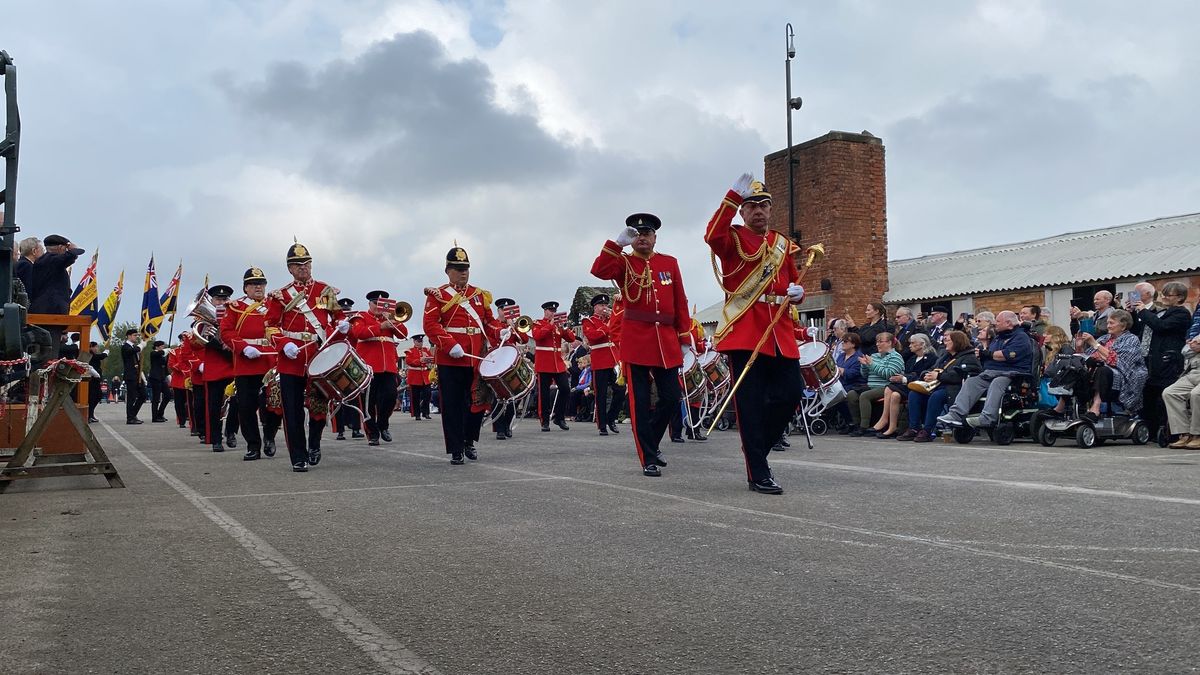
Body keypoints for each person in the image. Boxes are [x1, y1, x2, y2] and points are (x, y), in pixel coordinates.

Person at [702, 174, 804, 494]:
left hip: (779, 330)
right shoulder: (732, 239)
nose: (758, 211)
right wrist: (732, 196)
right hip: (746, 330)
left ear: (771, 209)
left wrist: (799, 293)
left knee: (791, 393)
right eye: (751, 206)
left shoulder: (782, 244)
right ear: (743, 212)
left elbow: (793, 280)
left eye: (763, 205)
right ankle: (757, 470)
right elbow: (711, 235)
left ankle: (757, 448)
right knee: (749, 405)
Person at [592, 212, 691, 479]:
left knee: (671, 398)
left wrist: (684, 337)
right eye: (637, 234)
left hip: (666, 340)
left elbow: (680, 301)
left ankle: (653, 442)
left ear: (655, 237)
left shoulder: (669, 263)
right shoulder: (624, 263)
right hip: (637, 340)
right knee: (639, 403)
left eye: (647, 233)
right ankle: (647, 457)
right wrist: (616, 245)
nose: (642, 238)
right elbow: (599, 270)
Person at [266, 242, 346, 472]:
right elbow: (270, 326)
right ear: (289, 269)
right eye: (297, 265)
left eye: (307, 264)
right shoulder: (280, 296)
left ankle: (315, 443)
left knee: (319, 406)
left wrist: (343, 325)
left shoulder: (323, 291)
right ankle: (298, 457)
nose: (303, 268)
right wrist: (283, 344)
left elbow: (336, 315)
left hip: (318, 354)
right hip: (291, 357)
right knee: (292, 410)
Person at [423, 245, 505, 464]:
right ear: (447, 270)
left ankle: (469, 440)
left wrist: (501, 330)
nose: (463, 272)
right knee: (452, 405)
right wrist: (449, 345)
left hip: (475, 358)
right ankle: (456, 448)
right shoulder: (438, 295)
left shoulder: (479, 296)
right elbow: (430, 325)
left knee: (478, 402)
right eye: (458, 268)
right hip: (451, 359)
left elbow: (488, 322)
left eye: (466, 267)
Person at [220, 267, 282, 461]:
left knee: (273, 404)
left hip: (270, 361)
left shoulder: (274, 304)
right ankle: (253, 445)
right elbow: (226, 332)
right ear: (245, 287)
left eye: (261, 283)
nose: (258, 287)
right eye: (254, 284)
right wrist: (243, 348)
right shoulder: (235, 307)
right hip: (246, 362)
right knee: (246, 407)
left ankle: (270, 436)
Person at [938, 310, 1036, 429]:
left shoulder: (1021, 337)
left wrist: (987, 354)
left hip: (1014, 374)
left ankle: (988, 417)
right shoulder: (999, 337)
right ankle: (955, 415)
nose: (995, 323)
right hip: (992, 372)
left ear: (1008, 323)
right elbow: (991, 355)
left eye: (998, 321)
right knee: (971, 382)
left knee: (998, 382)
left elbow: (1007, 355)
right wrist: (986, 355)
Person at [1130, 281, 1191, 439]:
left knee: (1164, 396)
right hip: (1153, 361)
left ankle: (1169, 431)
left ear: (1179, 298)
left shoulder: (1182, 314)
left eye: (1167, 295)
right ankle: (1150, 430)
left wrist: (1143, 311)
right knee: (1148, 396)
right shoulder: (1163, 312)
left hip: (1169, 362)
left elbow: (1161, 326)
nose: (1163, 297)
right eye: (1163, 293)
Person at [1062, 309, 1148, 418]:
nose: (1108, 326)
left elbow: (1118, 361)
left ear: (1123, 326)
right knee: (1072, 368)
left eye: (1111, 323)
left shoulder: (1131, 339)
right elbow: (1086, 358)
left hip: (1123, 376)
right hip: (1096, 371)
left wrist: (1094, 343)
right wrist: (1079, 348)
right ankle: (1062, 407)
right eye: (1107, 323)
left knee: (1103, 370)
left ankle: (1096, 408)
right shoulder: (1104, 338)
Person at [899, 330, 981, 442]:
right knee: (914, 394)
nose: (944, 342)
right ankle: (914, 428)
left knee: (936, 396)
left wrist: (938, 376)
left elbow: (960, 377)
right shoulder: (945, 356)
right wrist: (926, 375)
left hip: (955, 389)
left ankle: (927, 430)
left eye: (948, 340)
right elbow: (933, 368)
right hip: (938, 386)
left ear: (956, 342)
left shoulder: (969, 358)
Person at [351, 290, 409, 446]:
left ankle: (383, 425)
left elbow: (404, 335)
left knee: (390, 398)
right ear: (369, 303)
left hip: (388, 367)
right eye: (375, 303)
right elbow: (359, 333)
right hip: (369, 368)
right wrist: (380, 325)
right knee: (368, 403)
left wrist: (393, 320)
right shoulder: (361, 316)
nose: (378, 307)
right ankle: (372, 433)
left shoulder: (390, 318)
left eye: (382, 304)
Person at [193, 285, 237, 452]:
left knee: (237, 403)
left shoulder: (235, 316)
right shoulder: (202, 322)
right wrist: (209, 340)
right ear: (211, 301)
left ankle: (231, 431)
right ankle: (216, 438)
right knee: (214, 406)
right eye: (218, 299)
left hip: (233, 367)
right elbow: (194, 344)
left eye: (225, 299)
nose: (222, 302)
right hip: (215, 369)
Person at [30, 234, 84, 359]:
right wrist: (71, 247)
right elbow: (71, 256)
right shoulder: (53, 260)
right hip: (52, 312)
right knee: (49, 354)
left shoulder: (42, 261)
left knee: (41, 351)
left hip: (41, 310)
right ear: (60, 248)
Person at [873, 332, 937, 438]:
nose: (910, 346)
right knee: (894, 395)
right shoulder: (912, 359)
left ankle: (885, 419)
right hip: (908, 385)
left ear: (921, 344)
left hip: (920, 386)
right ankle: (892, 426)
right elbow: (908, 373)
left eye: (912, 343)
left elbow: (923, 375)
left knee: (889, 388)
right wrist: (903, 377)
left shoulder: (931, 358)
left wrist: (903, 378)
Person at [845, 333, 904, 436]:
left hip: (886, 387)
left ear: (889, 343)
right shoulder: (874, 356)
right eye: (877, 342)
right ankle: (856, 424)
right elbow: (865, 375)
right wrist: (864, 366)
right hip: (871, 385)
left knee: (865, 396)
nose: (877, 344)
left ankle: (864, 427)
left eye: (881, 342)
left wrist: (872, 364)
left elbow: (889, 375)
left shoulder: (896, 357)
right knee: (851, 394)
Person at [582, 293, 624, 436]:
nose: (604, 308)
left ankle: (611, 418)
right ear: (595, 307)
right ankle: (602, 425)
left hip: (614, 360)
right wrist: (608, 324)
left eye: (606, 305)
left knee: (620, 391)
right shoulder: (589, 321)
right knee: (601, 394)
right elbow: (594, 336)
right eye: (601, 305)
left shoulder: (611, 319)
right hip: (600, 360)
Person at [532, 301, 576, 432]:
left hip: (557, 363)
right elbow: (537, 336)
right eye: (550, 311)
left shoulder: (558, 326)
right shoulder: (538, 323)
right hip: (544, 363)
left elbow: (571, 339)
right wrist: (551, 325)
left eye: (554, 311)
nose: (552, 313)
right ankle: (544, 420)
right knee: (544, 394)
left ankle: (559, 417)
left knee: (565, 389)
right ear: (545, 311)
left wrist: (564, 327)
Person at [1164, 334, 1200, 449]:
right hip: (1195, 371)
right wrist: (1193, 346)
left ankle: (1197, 434)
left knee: (1196, 394)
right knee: (1170, 392)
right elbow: (1185, 352)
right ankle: (1185, 434)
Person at [832, 332, 866, 433]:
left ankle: (851, 422)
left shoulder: (859, 357)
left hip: (854, 384)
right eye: (842, 341)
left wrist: (842, 370)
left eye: (846, 341)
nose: (843, 343)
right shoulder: (841, 356)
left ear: (853, 344)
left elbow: (854, 374)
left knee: (839, 396)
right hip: (841, 383)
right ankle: (846, 422)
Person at [405, 334, 434, 421]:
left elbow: (433, 359)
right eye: (418, 341)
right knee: (415, 396)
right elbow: (409, 361)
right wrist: (420, 360)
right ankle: (417, 414)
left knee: (427, 394)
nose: (420, 343)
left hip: (425, 375)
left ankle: (426, 412)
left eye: (421, 341)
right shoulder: (410, 351)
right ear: (414, 342)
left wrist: (428, 357)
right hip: (415, 376)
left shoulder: (426, 350)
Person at [120, 329, 146, 424]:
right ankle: (130, 418)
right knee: (131, 397)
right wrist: (141, 346)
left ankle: (133, 414)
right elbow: (131, 351)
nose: (136, 337)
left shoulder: (134, 347)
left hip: (137, 375)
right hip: (130, 376)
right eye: (135, 335)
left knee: (143, 395)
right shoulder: (125, 347)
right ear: (129, 336)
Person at [167, 337, 191, 428]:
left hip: (189, 379)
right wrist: (182, 367)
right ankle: (181, 420)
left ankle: (190, 418)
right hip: (178, 380)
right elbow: (171, 364)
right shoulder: (174, 351)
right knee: (179, 402)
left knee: (190, 402)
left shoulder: (192, 350)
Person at [147, 340, 170, 422]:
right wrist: (165, 351)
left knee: (168, 395)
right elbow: (158, 353)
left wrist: (168, 376)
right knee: (156, 398)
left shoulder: (162, 354)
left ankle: (160, 413)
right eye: (162, 346)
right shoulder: (153, 353)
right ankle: (155, 417)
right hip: (155, 378)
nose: (163, 347)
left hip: (162, 377)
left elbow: (165, 366)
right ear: (157, 347)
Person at [86, 341, 108, 423]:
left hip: (96, 379)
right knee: (92, 397)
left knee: (98, 396)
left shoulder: (93, 355)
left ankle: (91, 414)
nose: (96, 349)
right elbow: (99, 357)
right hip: (92, 379)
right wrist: (105, 353)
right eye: (95, 347)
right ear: (91, 347)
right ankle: (89, 415)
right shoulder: (89, 355)